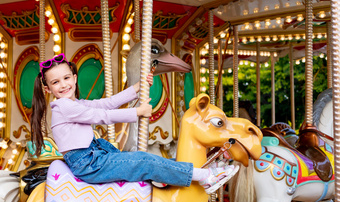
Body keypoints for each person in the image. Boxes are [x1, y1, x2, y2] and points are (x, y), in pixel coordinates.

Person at [31, 54, 238, 194]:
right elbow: (101, 116)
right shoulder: (63, 107)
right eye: (55, 82)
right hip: (87, 163)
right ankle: (205, 176)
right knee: (143, 160)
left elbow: (108, 103)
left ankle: (169, 175)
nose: (63, 84)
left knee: (140, 161)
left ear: (75, 78)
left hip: (95, 155)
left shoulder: (75, 103)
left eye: (66, 78)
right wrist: (137, 112)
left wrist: (137, 88)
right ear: (47, 89)